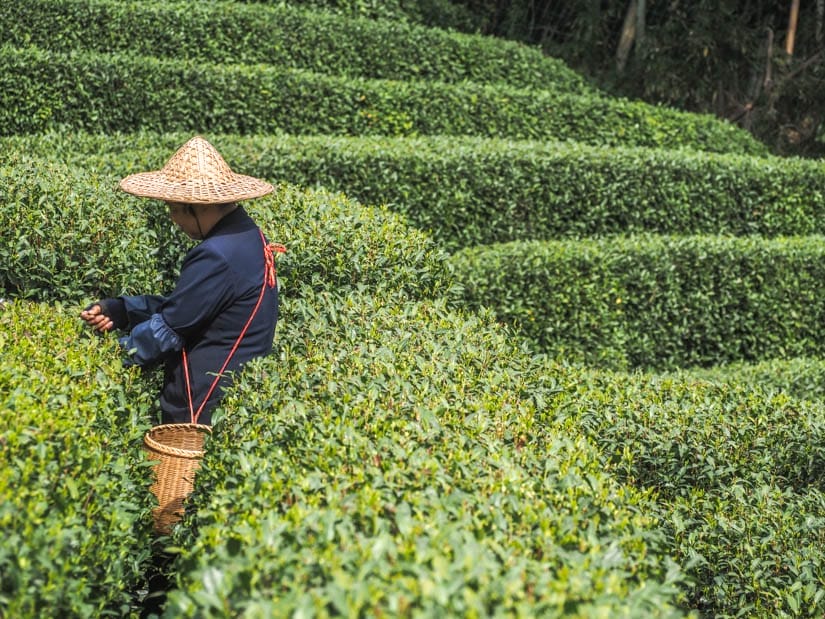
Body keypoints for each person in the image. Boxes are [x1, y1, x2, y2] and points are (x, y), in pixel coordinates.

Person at [81, 136, 283, 426]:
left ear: (197, 206)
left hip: (199, 403)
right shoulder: (247, 236)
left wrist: (108, 358)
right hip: (231, 389)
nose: (174, 220)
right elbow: (190, 308)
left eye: (175, 209)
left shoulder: (217, 255)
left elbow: (170, 328)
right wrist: (122, 309)